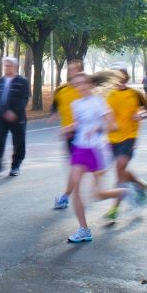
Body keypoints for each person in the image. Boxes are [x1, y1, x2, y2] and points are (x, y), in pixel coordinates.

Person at [63, 73, 132, 243]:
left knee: (97, 194)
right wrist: (68, 128)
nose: (80, 87)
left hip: (96, 150)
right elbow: (79, 124)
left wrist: (97, 128)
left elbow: (113, 125)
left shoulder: (98, 103)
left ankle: (127, 191)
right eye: (76, 84)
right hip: (80, 148)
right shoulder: (76, 104)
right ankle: (84, 229)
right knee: (76, 188)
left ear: (89, 84)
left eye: (82, 83)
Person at [105, 67, 147, 220]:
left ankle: (115, 208)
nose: (119, 78)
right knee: (121, 170)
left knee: (119, 167)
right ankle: (140, 185)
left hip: (129, 137)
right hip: (111, 139)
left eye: (122, 75)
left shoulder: (135, 94)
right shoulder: (108, 94)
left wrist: (141, 116)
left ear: (126, 77)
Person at [51, 59, 84, 209]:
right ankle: (66, 196)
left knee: (81, 171)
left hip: (85, 134)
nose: (72, 73)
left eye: (75, 70)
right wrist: (53, 115)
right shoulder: (61, 90)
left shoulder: (84, 91)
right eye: (70, 70)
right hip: (70, 136)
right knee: (75, 169)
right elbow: (55, 105)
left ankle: (128, 187)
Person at [0, 57, 30, 176]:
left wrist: (14, 113)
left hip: (17, 118)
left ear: (15, 67)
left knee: (19, 143)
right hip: (1, 118)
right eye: (5, 65)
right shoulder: (0, 82)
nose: (7, 68)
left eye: (9, 66)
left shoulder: (22, 81)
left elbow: (24, 99)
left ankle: (16, 166)